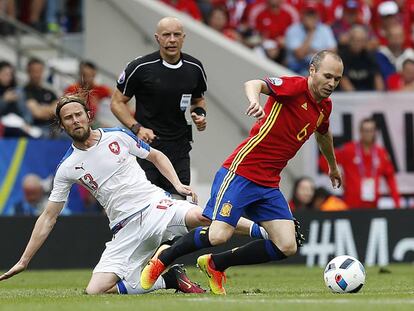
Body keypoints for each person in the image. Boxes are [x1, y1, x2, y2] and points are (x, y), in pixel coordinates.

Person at [0, 94, 269, 294]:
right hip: (124, 228)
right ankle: (170, 280)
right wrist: (24, 261)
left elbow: (155, 155)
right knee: (96, 291)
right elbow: (48, 217)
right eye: (68, 118)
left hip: (155, 204)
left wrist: (176, 185)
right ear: (62, 124)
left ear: (88, 115)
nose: (75, 121)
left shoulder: (117, 136)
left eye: (78, 115)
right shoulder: (68, 167)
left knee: (204, 216)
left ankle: (268, 233)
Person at [139, 50, 343, 295]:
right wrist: (254, 100)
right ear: (312, 71)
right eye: (328, 76)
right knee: (218, 235)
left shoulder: (324, 107)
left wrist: (332, 166)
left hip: (268, 184)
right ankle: (164, 257)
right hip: (240, 172)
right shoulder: (294, 87)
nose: (331, 83)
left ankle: (217, 264)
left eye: (337, 79)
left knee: (287, 245)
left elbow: (323, 133)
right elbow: (253, 83)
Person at [111, 17, 207, 199]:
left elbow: (198, 99)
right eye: (166, 35)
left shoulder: (195, 67)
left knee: (179, 202)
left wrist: (199, 115)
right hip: (147, 147)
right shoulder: (140, 67)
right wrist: (137, 128)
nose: (172, 39)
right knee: (148, 203)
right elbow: (116, 102)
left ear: (183, 38)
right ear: (157, 38)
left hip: (179, 147)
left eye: (176, 34)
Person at [319, 118, 400, 209]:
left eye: (371, 130)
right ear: (360, 132)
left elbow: (390, 178)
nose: (368, 134)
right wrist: (338, 176)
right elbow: (323, 160)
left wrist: (397, 203)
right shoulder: (349, 149)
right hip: (351, 204)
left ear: (375, 132)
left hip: (373, 205)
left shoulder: (381, 153)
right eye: (365, 130)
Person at [64, 60, 112, 126]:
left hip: (94, 122)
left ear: (94, 74)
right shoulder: (72, 89)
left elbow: (117, 97)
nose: (87, 79)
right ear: (80, 74)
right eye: (84, 75)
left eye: (90, 76)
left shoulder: (100, 89)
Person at [24, 57, 58, 137]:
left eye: (39, 71)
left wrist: (42, 108)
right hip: (34, 128)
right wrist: (49, 109)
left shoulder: (49, 92)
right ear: (28, 72)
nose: (37, 74)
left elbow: (57, 110)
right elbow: (37, 113)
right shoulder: (24, 91)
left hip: (53, 127)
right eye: (34, 71)